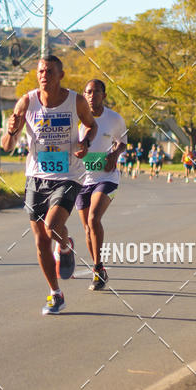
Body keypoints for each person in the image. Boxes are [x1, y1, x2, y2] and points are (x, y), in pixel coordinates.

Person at [1, 55, 97, 314]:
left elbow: (91, 125)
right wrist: (10, 131)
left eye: (50, 71)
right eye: (41, 71)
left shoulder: (74, 101)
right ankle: (55, 293)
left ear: (60, 75)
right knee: (41, 241)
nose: (44, 75)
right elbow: (7, 147)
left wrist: (85, 143)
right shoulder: (27, 102)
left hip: (68, 175)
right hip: (36, 177)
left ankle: (64, 245)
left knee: (52, 226)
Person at [75, 79, 127, 290]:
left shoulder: (113, 118)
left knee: (94, 218)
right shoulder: (77, 118)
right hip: (82, 179)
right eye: (88, 92)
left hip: (107, 177)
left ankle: (96, 270)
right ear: (84, 94)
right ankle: (99, 268)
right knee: (88, 229)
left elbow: (122, 140)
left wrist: (115, 153)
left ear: (103, 95)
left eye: (97, 92)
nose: (92, 95)